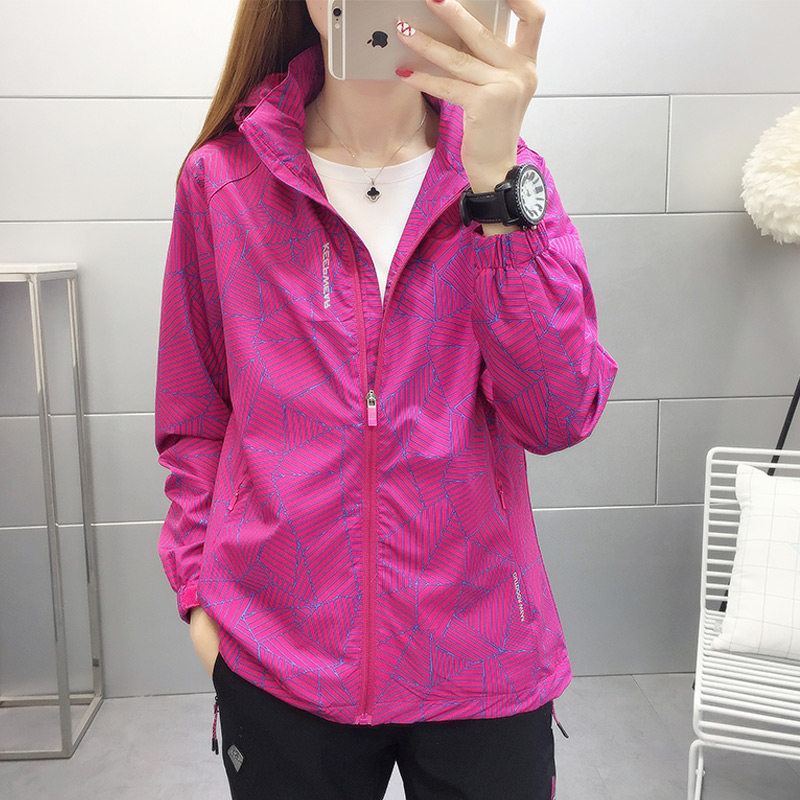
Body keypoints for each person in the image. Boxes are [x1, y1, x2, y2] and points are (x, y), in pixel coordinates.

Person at [154, 0, 618, 797]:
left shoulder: (507, 177)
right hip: (280, 663)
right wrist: (203, 605)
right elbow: (195, 420)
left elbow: (558, 413)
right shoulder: (222, 181)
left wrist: (496, 188)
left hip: (482, 659)